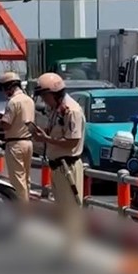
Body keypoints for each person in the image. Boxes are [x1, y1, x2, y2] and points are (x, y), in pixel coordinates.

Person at [30, 72, 85, 253]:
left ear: (54, 94)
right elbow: (55, 133)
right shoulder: (57, 110)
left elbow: (72, 141)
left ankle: (73, 250)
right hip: (58, 165)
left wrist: (47, 139)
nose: (44, 100)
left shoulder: (71, 111)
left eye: (45, 96)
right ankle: (67, 248)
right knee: (62, 210)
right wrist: (42, 135)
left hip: (67, 165)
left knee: (71, 211)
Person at [0, 71, 34, 204]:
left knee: (18, 181)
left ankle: (22, 210)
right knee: (26, 179)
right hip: (28, 142)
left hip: (15, 143)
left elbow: (6, 125)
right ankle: (26, 205)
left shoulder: (13, 102)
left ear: (9, 87)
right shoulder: (29, 100)